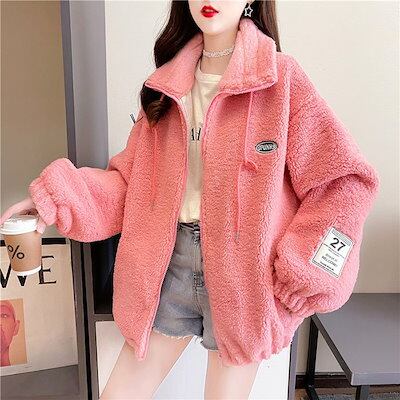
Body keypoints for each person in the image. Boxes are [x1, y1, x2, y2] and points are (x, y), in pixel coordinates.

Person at [0, 1, 380, 398]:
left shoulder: (280, 79)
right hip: (168, 268)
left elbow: (344, 182)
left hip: (245, 278)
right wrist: (52, 198)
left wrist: (306, 271)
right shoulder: (166, 87)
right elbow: (130, 185)